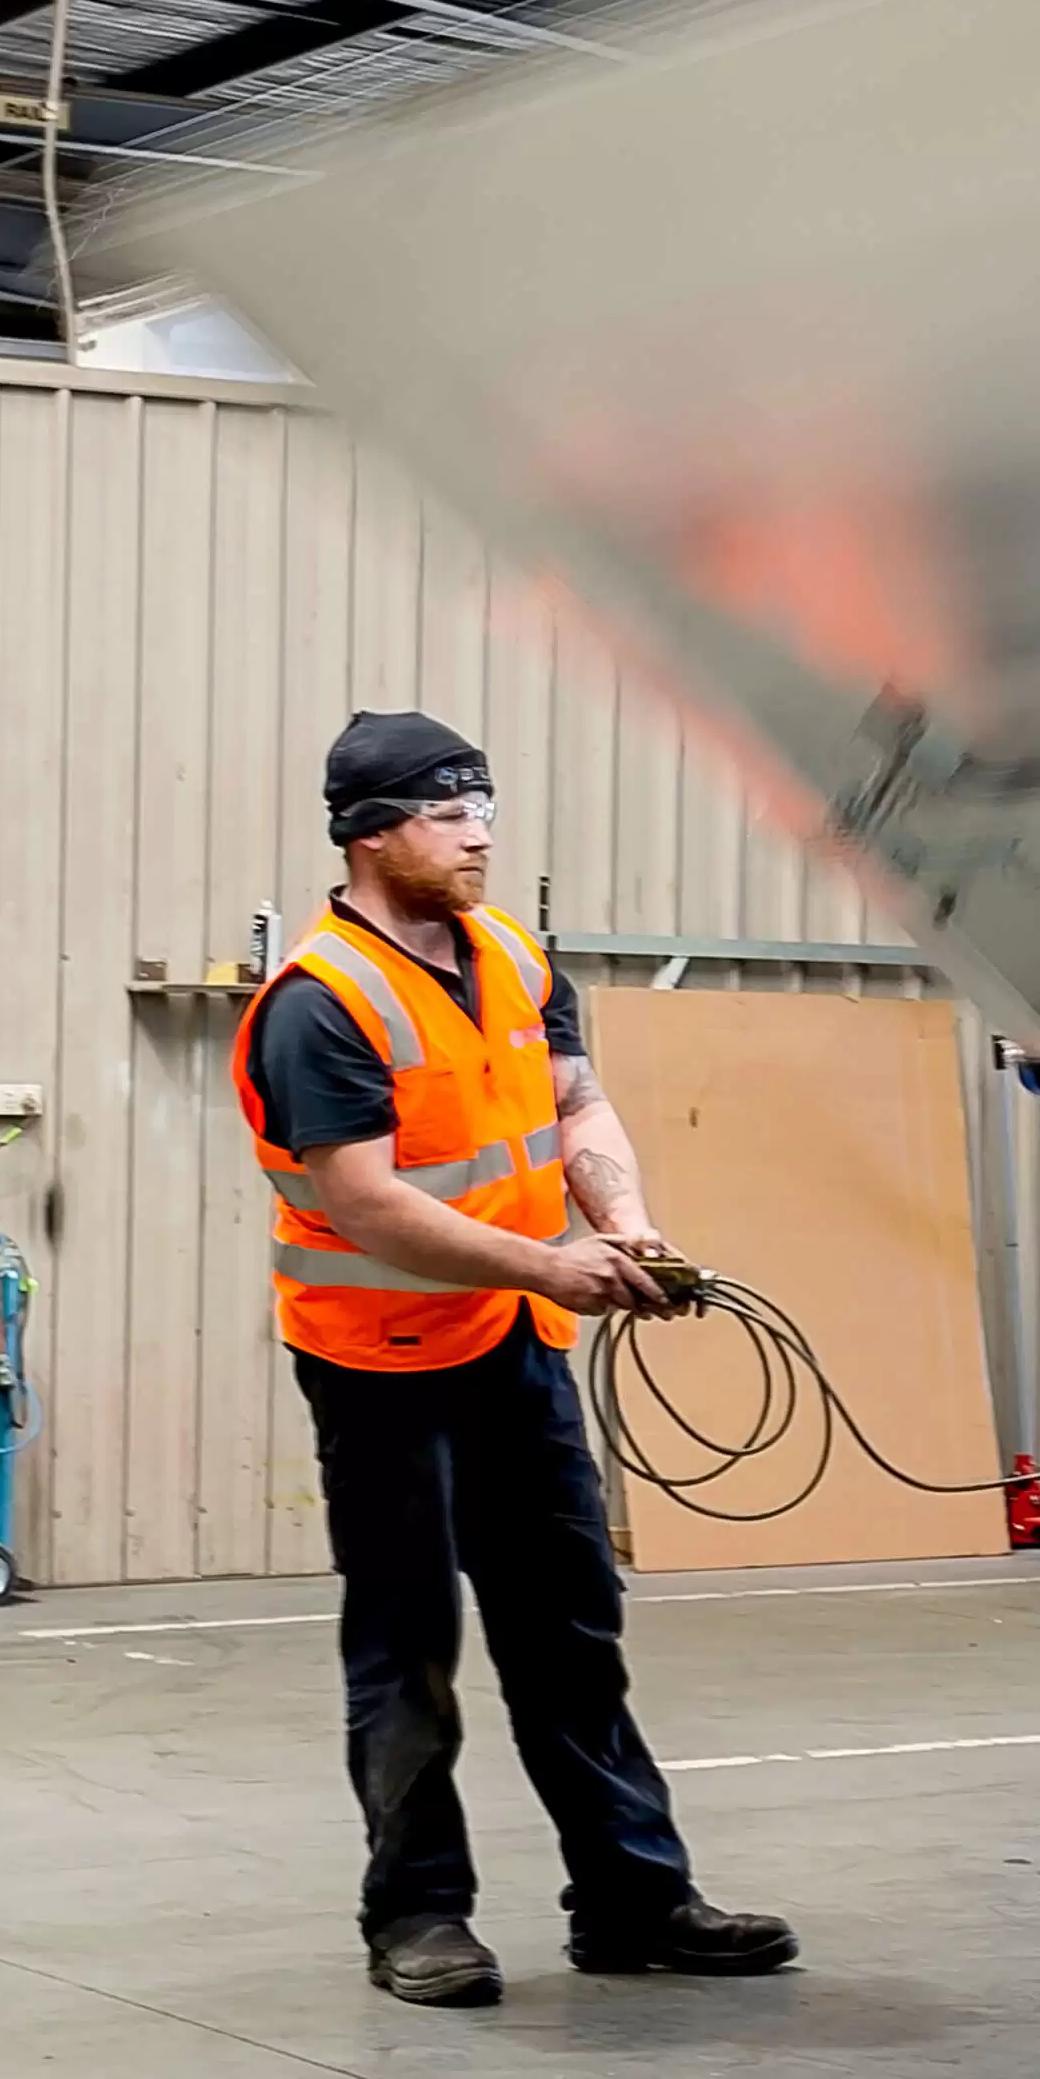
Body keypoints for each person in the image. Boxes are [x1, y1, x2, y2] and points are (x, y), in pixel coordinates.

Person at [231, 710, 798, 2008]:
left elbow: (577, 1102)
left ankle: (635, 1898)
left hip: (511, 1351)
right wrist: (551, 1265)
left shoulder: (514, 957)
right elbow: (364, 1200)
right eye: (448, 809)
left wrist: (626, 1223)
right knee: (408, 1643)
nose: (480, 830)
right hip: (377, 1363)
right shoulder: (321, 1002)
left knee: (569, 1632)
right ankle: (417, 1913)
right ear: (371, 832)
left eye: (484, 803)